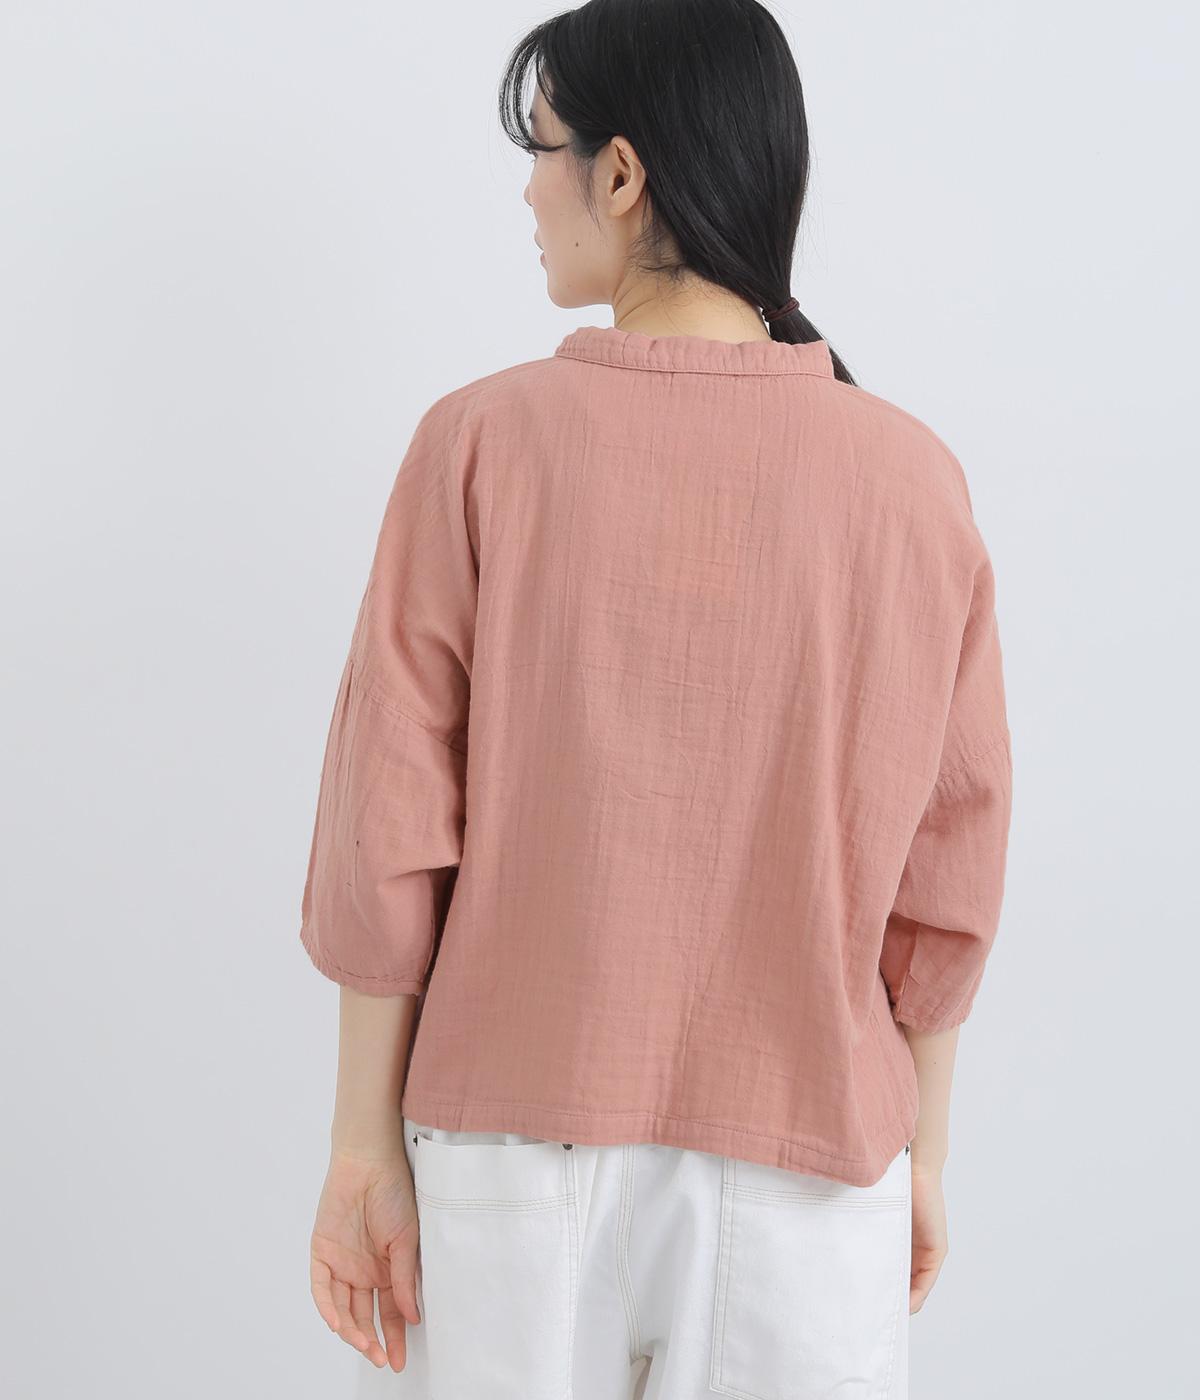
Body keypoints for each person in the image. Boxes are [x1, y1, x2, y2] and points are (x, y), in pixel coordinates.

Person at [298, 1, 1013, 1396]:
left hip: (513, 1150)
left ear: (619, 174)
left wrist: (359, 1144)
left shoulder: (480, 445)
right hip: (815, 1162)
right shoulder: (911, 482)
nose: (527, 189)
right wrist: (922, 1153)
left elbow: (388, 824)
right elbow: (952, 867)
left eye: (542, 148)